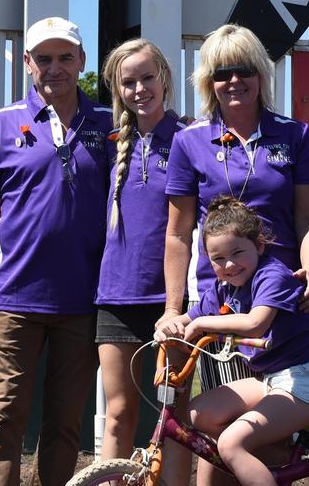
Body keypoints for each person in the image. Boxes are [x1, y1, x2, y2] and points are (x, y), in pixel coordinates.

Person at [0, 17, 112, 486]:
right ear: (28, 64)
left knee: (65, 426)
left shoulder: (108, 125)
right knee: (2, 419)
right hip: (15, 301)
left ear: (82, 62)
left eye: (66, 57)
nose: (55, 68)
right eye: (44, 58)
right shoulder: (2, 124)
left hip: (83, 302)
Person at [154, 195, 309, 486]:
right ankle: (269, 460)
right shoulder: (223, 289)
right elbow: (187, 318)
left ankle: (252, 455)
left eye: (237, 252)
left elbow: (256, 324)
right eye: (218, 259)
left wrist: (203, 324)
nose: (229, 264)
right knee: (198, 413)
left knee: (230, 444)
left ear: (259, 245)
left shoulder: (272, 276)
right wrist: (169, 326)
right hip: (276, 379)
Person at [95, 38, 187, 464]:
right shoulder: (109, 146)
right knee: (118, 416)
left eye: (147, 78)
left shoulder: (191, 139)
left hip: (172, 302)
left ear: (164, 78)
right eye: (128, 82)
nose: (139, 90)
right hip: (115, 297)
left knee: (173, 417)